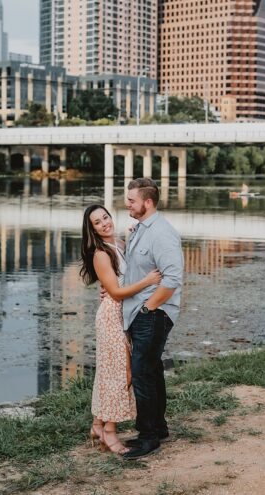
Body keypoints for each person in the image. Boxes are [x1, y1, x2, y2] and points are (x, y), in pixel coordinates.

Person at [79, 205, 162, 454]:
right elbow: (114, 292)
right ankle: (109, 432)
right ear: (91, 229)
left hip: (125, 313)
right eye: (97, 222)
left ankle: (97, 424)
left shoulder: (120, 244)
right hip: (111, 316)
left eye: (105, 217)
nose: (104, 223)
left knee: (115, 371)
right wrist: (147, 281)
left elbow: (123, 277)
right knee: (124, 372)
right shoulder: (100, 254)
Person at [119, 178, 185, 460]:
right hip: (140, 312)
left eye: (132, 200)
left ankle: (148, 438)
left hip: (152, 314)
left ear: (148, 202)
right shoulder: (140, 230)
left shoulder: (162, 233)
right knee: (152, 370)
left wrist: (148, 308)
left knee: (143, 373)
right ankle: (158, 427)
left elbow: (172, 278)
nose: (127, 204)